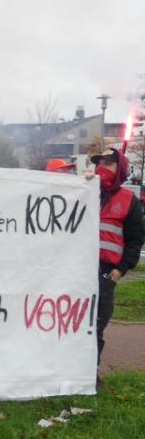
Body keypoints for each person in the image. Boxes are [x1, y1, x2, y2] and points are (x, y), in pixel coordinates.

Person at [87, 147, 143, 384]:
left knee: (96, 323)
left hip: (105, 272)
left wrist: (120, 270)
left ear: (120, 169)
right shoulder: (84, 191)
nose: (101, 168)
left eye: (108, 163)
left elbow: (135, 240)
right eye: (98, 163)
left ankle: (89, 373)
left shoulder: (129, 201)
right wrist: (79, 185)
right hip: (76, 269)